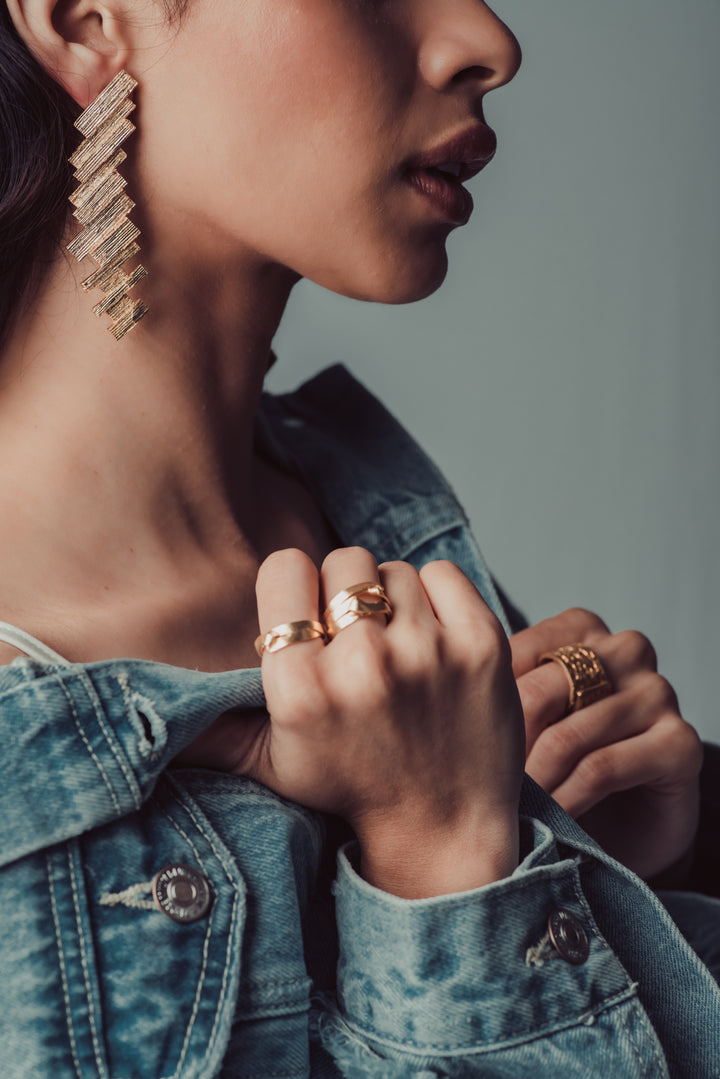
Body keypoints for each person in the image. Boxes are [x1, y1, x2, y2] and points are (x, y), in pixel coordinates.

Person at [0, 0, 718, 1076]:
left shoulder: (364, 515)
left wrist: (633, 866)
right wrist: (446, 861)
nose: (489, 43)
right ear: (85, 19)